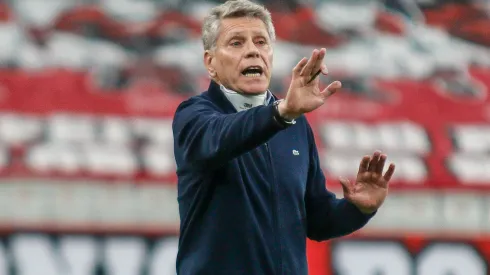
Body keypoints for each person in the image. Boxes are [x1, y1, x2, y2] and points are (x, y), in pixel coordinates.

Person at [172, 0, 396, 274]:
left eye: (261, 42)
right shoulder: (194, 115)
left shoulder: (295, 125)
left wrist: (359, 210)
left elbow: (317, 220)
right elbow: (220, 138)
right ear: (211, 62)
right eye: (236, 43)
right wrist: (281, 113)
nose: (253, 51)